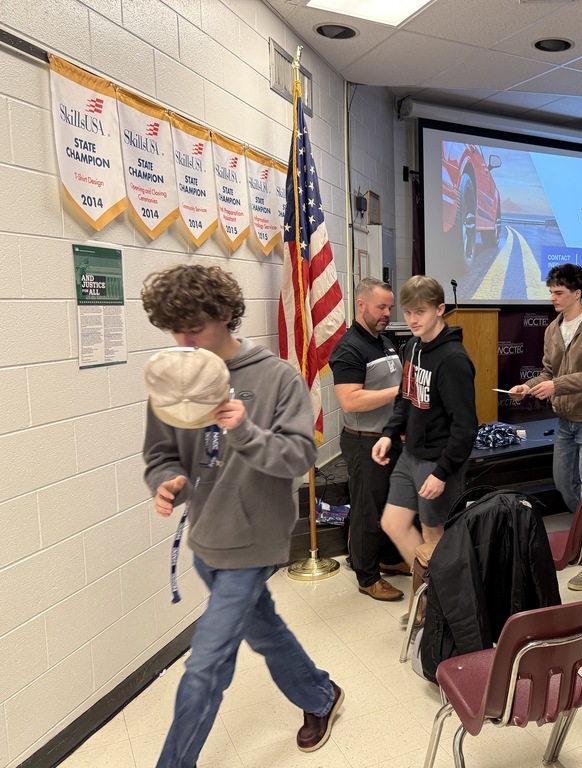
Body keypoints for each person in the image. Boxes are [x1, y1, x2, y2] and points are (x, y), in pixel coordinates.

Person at [141, 264, 342, 766]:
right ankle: (320, 695)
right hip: (207, 538)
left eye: (194, 329)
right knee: (265, 629)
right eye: (175, 331)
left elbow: (300, 458)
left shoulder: (277, 378)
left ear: (226, 315)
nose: (184, 341)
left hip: (254, 543)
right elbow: (160, 454)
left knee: (205, 666)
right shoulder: (174, 375)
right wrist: (166, 483)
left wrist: (245, 431)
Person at [510, 263, 582, 591]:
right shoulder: (553, 328)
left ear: (577, 293)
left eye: (558, 292)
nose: (553, 297)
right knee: (564, 483)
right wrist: (529, 386)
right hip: (567, 420)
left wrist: (556, 386)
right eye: (551, 292)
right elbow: (548, 372)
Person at [375, 275, 477, 568]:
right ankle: (433, 595)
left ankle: (440, 605)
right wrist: (389, 433)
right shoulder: (413, 347)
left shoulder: (453, 359)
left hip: (438, 460)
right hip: (411, 454)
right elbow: (405, 397)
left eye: (420, 311)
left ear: (440, 309)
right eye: (407, 312)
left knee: (435, 535)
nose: (412, 319)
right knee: (394, 522)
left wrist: (442, 473)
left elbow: (465, 427)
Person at [330, 277, 410, 602]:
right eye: (381, 307)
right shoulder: (350, 347)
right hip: (365, 442)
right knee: (368, 510)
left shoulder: (385, 341)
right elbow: (350, 400)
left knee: (392, 505)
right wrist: (400, 391)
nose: (387, 313)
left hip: (389, 439)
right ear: (361, 305)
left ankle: (390, 560)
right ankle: (367, 576)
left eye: (390, 307)